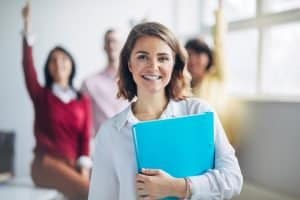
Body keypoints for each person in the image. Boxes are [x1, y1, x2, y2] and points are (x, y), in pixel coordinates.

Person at [88, 22, 243, 200]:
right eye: (142, 57)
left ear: (174, 64)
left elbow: (233, 179)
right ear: (129, 64)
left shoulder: (199, 112)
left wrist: (178, 187)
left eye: (162, 58)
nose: (153, 66)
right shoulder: (109, 133)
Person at [21, 3, 92, 200]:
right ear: (48, 67)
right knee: (90, 192)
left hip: (73, 164)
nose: (59, 63)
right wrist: (27, 28)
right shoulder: (41, 94)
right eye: (53, 60)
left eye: (63, 59)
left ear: (72, 65)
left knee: (110, 184)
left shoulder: (82, 99)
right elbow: (28, 68)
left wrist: (84, 167)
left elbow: (85, 137)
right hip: (45, 164)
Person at [185, 38, 244, 146]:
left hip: (220, 143)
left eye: (198, 54)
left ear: (209, 57)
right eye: (189, 55)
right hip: (196, 145)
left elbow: (220, 45)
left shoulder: (218, 78)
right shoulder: (182, 86)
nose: (192, 60)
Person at [81, 29, 128, 135]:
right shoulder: (89, 83)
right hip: (103, 145)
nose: (111, 45)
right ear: (104, 47)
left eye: (115, 41)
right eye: (108, 41)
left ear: (123, 47)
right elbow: (83, 122)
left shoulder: (136, 81)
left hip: (131, 144)